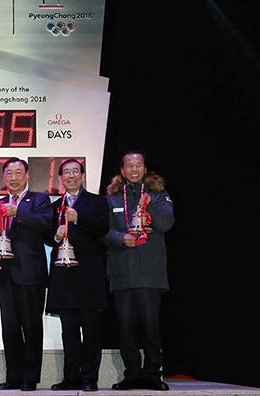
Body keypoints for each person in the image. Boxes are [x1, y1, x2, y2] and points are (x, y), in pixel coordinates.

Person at [102, 150, 174, 391]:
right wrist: (120, 238)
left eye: (138, 165)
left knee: (150, 326)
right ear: (122, 170)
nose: (134, 170)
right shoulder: (112, 197)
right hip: (121, 272)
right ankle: (132, 374)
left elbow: (166, 224)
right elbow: (102, 231)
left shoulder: (158, 194)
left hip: (149, 272)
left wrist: (149, 203)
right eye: (129, 166)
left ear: (145, 168)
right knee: (126, 328)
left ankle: (153, 374)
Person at [0, 158, 53, 392]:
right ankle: (13, 377)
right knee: (10, 328)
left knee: (31, 327)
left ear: (26, 175)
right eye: (9, 174)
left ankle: (30, 377)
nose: (13, 178)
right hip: (5, 275)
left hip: (31, 275)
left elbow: (47, 226)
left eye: (18, 173)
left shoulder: (39, 199)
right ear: (3, 177)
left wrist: (19, 211)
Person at [46, 158, 110, 392]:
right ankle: (70, 377)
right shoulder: (54, 206)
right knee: (68, 331)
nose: (71, 176)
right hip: (64, 277)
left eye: (75, 172)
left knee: (91, 330)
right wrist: (55, 235)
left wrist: (78, 219)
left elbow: (103, 228)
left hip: (89, 275)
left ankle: (89, 378)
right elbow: (46, 236)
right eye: (66, 173)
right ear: (60, 178)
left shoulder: (97, 201)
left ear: (82, 175)